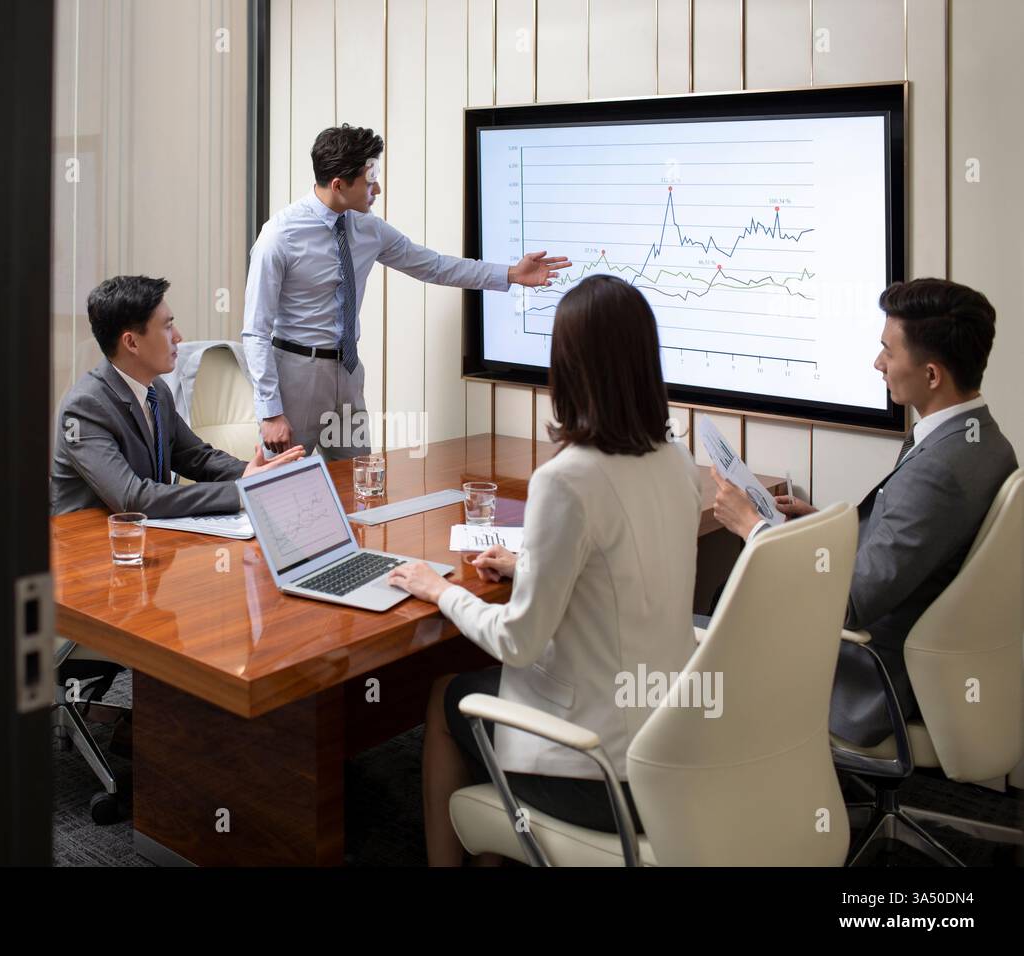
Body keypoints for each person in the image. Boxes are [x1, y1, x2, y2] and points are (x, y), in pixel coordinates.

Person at [389, 275, 702, 866]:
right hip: (669, 753)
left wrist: (440, 591)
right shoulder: (678, 462)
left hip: (597, 770)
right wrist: (528, 564)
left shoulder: (566, 479)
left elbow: (518, 641)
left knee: (443, 697)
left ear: (570, 368)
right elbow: (622, 573)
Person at [711, 277, 1018, 746]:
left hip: (868, 670)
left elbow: (851, 606)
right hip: (909, 644)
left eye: (888, 352)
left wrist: (753, 528)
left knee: (711, 619)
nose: (878, 364)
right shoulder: (985, 441)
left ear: (932, 374)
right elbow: (918, 545)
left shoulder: (940, 470)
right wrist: (818, 525)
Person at [241, 123, 570, 460]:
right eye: (370, 180)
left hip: (347, 374)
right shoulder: (279, 237)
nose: (377, 188)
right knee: (277, 490)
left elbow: (436, 266)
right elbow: (255, 330)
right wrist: (270, 411)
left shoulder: (369, 230)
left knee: (359, 483)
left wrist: (512, 274)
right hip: (297, 376)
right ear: (339, 185)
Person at [51, 275, 305, 518]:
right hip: (89, 548)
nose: (178, 337)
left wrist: (258, 474)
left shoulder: (156, 391)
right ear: (132, 343)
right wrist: (241, 491)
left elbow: (197, 458)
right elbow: (133, 498)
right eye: (167, 326)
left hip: (147, 537)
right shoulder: (85, 408)